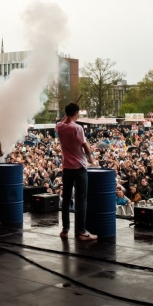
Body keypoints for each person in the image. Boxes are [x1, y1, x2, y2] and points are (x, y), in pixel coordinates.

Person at [55, 102, 97, 241]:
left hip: (67, 168)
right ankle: (81, 231)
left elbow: (62, 121)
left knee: (66, 200)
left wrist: (67, 115)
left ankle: (65, 229)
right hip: (79, 168)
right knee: (81, 201)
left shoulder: (59, 126)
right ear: (76, 113)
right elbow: (85, 146)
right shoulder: (77, 128)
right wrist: (90, 158)